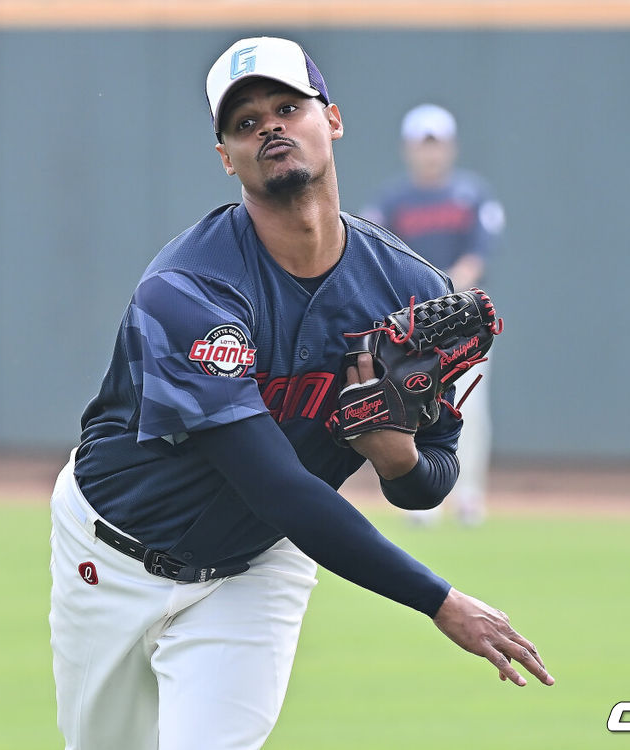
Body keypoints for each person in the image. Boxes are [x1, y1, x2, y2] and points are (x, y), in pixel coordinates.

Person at [48, 37, 552, 750]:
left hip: (257, 569)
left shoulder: (409, 290)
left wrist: (399, 459)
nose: (271, 128)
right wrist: (439, 601)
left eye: (288, 107)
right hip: (111, 553)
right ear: (227, 158)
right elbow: (278, 485)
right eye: (246, 123)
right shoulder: (191, 290)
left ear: (333, 120)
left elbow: (432, 479)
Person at [364, 104, 506, 526]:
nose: (430, 153)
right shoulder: (392, 200)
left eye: (437, 144)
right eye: (422, 144)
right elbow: (377, 256)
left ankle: (469, 496)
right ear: (409, 149)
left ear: (450, 148)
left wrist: (442, 290)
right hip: (411, 328)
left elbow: (475, 258)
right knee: (411, 408)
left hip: (464, 324)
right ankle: (424, 496)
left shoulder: (471, 194)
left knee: (469, 409)